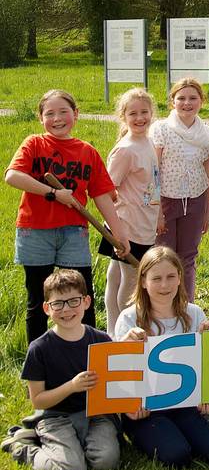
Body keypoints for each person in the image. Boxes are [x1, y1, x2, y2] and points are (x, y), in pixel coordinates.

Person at [5, 89, 129, 343]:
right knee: (38, 298)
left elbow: (102, 196)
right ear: (41, 118)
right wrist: (52, 193)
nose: (57, 118)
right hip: (35, 230)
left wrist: (119, 233)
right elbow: (12, 176)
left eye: (64, 111)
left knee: (83, 296)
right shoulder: (34, 144)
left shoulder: (86, 151)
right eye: (50, 113)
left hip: (74, 232)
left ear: (76, 114)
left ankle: (90, 354)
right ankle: (38, 360)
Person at [115, 248, 209, 468]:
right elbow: (118, 370)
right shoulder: (130, 318)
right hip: (146, 410)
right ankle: (157, 435)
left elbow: (205, 363)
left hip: (184, 404)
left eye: (170, 277)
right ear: (144, 281)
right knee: (176, 456)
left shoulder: (194, 313)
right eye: (156, 278)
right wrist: (130, 406)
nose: (165, 285)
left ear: (179, 278)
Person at [3, 270, 121, 470]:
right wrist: (72, 386)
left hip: (96, 416)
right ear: (47, 308)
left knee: (106, 461)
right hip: (56, 417)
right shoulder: (39, 349)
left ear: (86, 302)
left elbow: (115, 385)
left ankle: (75, 444)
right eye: (58, 303)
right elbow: (38, 401)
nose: (66, 310)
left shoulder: (101, 340)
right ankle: (22, 446)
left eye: (74, 301)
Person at [99, 88, 161, 337]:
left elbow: (153, 183)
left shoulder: (147, 141)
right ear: (123, 116)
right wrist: (118, 228)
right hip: (127, 227)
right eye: (132, 113)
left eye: (144, 112)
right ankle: (124, 331)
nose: (139, 118)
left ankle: (112, 331)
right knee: (130, 278)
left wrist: (160, 215)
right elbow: (106, 189)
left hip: (145, 223)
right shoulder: (125, 150)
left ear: (151, 113)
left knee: (115, 275)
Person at [150, 77, 209, 302]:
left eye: (193, 98)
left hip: (195, 200)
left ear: (201, 101)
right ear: (172, 102)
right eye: (182, 98)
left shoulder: (207, 134)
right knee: (164, 256)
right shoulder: (161, 129)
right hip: (167, 200)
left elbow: (208, 174)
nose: (187, 103)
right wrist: (156, 209)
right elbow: (153, 170)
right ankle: (162, 305)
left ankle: (187, 307)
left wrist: (207, 211)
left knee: (188, 257)